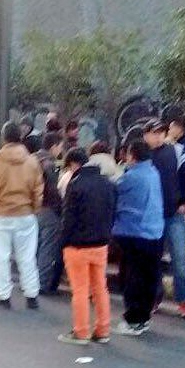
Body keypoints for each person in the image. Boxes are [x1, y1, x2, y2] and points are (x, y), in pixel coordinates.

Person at [0, 121, 44, 309]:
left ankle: (4, 296)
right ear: (21, 137)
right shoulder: (32, 161)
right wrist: (34, 209)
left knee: (0, 257)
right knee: (27, 256)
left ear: (4, 137)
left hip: (0, 216)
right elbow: (38, 189)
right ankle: (32, 295)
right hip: (26, 215)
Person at [57, 148, 116, 345]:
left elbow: (68, 219)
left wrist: (63, 242)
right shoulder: (108, 184)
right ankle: (103, 330)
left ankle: (81, 332)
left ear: (74, 164)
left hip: (77, 246)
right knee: (100, 288)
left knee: (80, 290)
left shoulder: (76, 185)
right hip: (101, 244)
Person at [112, 140, 165, 336]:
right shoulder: (153, 172)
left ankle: (133, 320)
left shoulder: (131, 177)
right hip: (154, 231)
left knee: (132, 277)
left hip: (134, 232)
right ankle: (143, 318)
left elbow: (115, 192)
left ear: (132, 156)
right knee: (148, 277)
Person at [144, 120, 185, 318]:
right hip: (151, 216)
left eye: (161, 132)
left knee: (180, 261)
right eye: (153, 133)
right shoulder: (143, 155)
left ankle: (184, 301)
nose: (157, 136)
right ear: (145, 135)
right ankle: (154, 299)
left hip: (174, 215)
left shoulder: (177, 152)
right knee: (152, 261)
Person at [34, 132, 65, 295]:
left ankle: (29, 281)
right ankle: (41, 283)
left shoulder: (31, 159)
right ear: (54, 146)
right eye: (60, 146)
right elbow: (53, 190)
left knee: (35, 246)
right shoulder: (49, 163)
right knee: (47, 247)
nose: (61, 150)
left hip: (31, 208)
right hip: (48, 209)